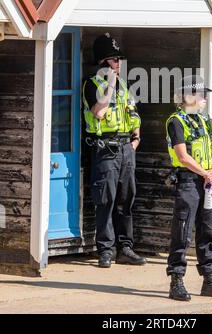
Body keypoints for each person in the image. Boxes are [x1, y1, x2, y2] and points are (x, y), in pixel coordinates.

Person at [165, 75, 212, 301]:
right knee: (182, 233)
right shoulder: (176, 121)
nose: (205, 98)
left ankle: (210, 280)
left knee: (209, 231)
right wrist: (206, 173)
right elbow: (182, 156)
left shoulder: (206, 120)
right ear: (187, 96)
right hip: (188, 181)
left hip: (208, 182)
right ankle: (176, 281)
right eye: (200, 93)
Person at [82, 33, 146, 268]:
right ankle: (105, 250)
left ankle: (126, 248)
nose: (119, 63)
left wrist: (136, 139)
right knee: (105, 201)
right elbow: (99, 112)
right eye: (114, 59)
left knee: (126, 200)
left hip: (125, 149)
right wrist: (109, 83)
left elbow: (133, 112)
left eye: (119, 59)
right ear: (102, 62)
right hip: (105, 149)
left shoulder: (123, 85)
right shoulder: (92, 84)